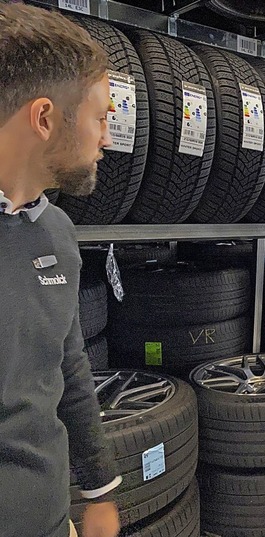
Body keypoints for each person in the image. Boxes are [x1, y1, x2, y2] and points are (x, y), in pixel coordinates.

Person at [0, 5, 121, 537]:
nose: (108, 138)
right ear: (44, 118)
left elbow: (68, 367)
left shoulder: (58, 233)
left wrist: (98, 490)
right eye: (101, 117)